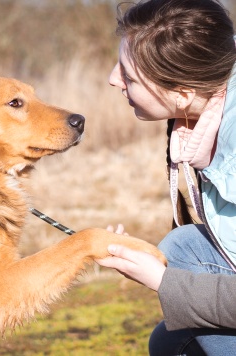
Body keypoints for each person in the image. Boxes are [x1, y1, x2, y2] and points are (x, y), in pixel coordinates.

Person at [95, 0, 236, 355]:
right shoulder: (206, 97)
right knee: (171, 341)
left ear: (183, 92)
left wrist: (161, 280)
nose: (114, 79)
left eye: (129, 75)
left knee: (180, 256)